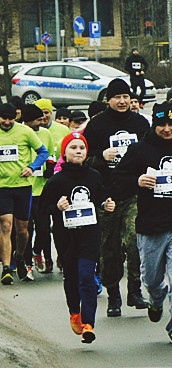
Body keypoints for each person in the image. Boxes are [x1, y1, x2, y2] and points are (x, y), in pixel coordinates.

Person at [113, 102, 172, 343]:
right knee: (152, 280)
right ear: (154, 124)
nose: (167, 129)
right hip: (151, 225)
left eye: (171, 124)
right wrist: (138, 181)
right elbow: (118, 180)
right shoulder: (139, 150)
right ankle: (156, 299)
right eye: (162, 124)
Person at [82, 78, 151, 316]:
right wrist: (102, 156)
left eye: (125, 97)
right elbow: (84, 159)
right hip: (105, 197)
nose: (122, 102)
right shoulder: (96, 126)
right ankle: (113, 296)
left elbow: (151, 154)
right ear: (108, 100)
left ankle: (135, 291)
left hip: (133, 193)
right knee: (109, 249)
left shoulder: (140, 123)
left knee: (134, 243)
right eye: (117, 98)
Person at [41, 132, 115, 344]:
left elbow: (101, 197)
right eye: (73, 148)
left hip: (90, 234)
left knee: (86, 276)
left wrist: (106, 204)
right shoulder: (56, 180)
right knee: (72, 277)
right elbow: (42, 208)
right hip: (66, 236)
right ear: (64, 152)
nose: (78, 152)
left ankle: (89, 324)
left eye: (81, 148)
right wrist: (57, 207)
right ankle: (75, 312)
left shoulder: (94, 176)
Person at [0, 103, 49, 283]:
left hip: (22, 186)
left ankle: (19, 256)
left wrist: (32, 167)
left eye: (10, 118)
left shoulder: (25, 132)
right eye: (3, 118)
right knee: (6, 225)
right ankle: (6, 268)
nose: (7, 122)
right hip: (2, 187)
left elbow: (43, 152)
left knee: (22, 230)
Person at [22, 104, 56, 278]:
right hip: (24, 189)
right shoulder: (19, 133)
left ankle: (38, 251)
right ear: (27, 121)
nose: (41, 122)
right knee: (26, 229)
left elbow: (50, 154)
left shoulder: (45, 133)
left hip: (42, 188)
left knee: (43, 228)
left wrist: (50, 166)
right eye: (38, 120)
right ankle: (27, 265)